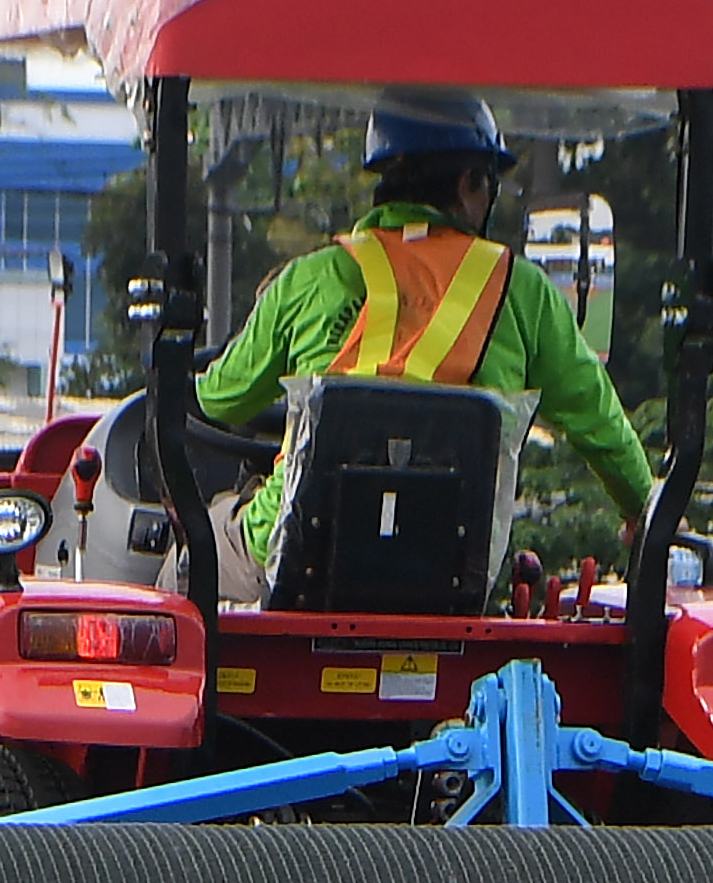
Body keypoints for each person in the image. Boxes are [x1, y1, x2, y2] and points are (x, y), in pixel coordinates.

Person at [193, 92, 657, 572]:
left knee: (186, 561)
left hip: (294, 556)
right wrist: (644, 512)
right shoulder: (523, 292)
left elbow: (220, 403)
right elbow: (599, 423)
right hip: (455, 573)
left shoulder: (311, 279)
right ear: (469, 183)